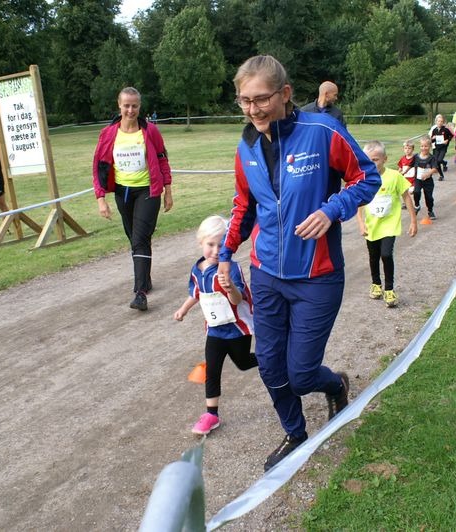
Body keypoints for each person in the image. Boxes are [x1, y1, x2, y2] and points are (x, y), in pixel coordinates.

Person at [220, 55, 380, 471]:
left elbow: (367, 178)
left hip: (317, 277)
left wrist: (332, 209)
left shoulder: (323, 130)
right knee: (271, 367)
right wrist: (224, 254)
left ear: (285, 93)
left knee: (302, 374)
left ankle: (336, 385)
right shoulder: (245, 146)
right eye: (244, 100)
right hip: (266, 274)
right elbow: (244, 207)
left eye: (261, 99)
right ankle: (295, 432)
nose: (253, 109)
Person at [174, 215, 257, 436]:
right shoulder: (197, 269)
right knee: (212, 369)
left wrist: (230, 287)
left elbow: (238, 300)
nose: (216, 250)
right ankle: (211, 414)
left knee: (243, 362)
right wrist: (183, 309)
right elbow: (196, 293)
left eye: (221, 245)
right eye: (210, 244)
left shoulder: (231, 269)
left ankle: (273, 357)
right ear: (200, 242)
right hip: (214, 330)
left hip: (237, 330)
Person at [92, 87, 173, 311]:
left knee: (140, 238)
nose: (130, 110)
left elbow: (162, 159)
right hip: (122, 192)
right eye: (126, 105)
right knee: (134, 238)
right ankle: (145, 279)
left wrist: (168, 190)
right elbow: (98, 167)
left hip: (147, 191)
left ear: (139, 106)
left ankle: (140, 293)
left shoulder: (150, 131)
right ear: (119, 105)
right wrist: (100, 198)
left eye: (134, 106)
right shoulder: (108, 133)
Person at [356, 141, 417, 307]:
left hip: (390, 224)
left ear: (385, 159)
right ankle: (376, 284)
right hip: (372, 225)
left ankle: (389, 289)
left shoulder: (394, 176)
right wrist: (361, 222)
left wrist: (413, 221)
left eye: (376, 160)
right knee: (373, 256)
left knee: (386, 254)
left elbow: (406, 197)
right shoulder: (364, 178)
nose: (372, 163)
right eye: (369, 160)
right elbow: (359, 202)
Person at [413, 136, 438, 220]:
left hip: (428, 181)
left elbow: (435, 169)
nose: (424, 148)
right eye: (422, 146)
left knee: (429, 197)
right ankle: (417, 206)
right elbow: (410, 164)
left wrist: (428, 173)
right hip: (418, 180)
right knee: (416, 192)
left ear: (430, 146)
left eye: (426, 146)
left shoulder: (432, 158)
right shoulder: (416, 157)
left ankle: (430, 210)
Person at [429, 114, 453, 180]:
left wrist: (447, 140)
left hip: (443, 148)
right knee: (436, 162)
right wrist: (432, 138)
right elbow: (432, 140)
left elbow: (451, 135)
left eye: (441, 121)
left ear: (443, 122)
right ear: (436, 122)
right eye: (438, 121)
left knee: (439, 160)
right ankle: (441, 175)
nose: (440, 123)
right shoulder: (434, 130)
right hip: (436, 148)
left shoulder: (445, 130)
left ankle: (444, 163)